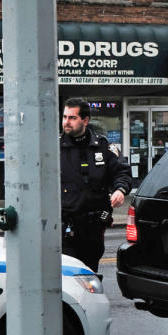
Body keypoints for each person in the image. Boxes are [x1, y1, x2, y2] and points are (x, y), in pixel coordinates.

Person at [60, 97, 131, 272]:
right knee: (70, 275)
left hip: (94, 226)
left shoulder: (103, 146)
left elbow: (122, 172)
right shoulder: (54, 148)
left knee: (91, 274)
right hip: (66, 226)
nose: (66, 122)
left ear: (85, 120)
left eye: (72, 118)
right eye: (64, 117)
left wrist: (120, 190)